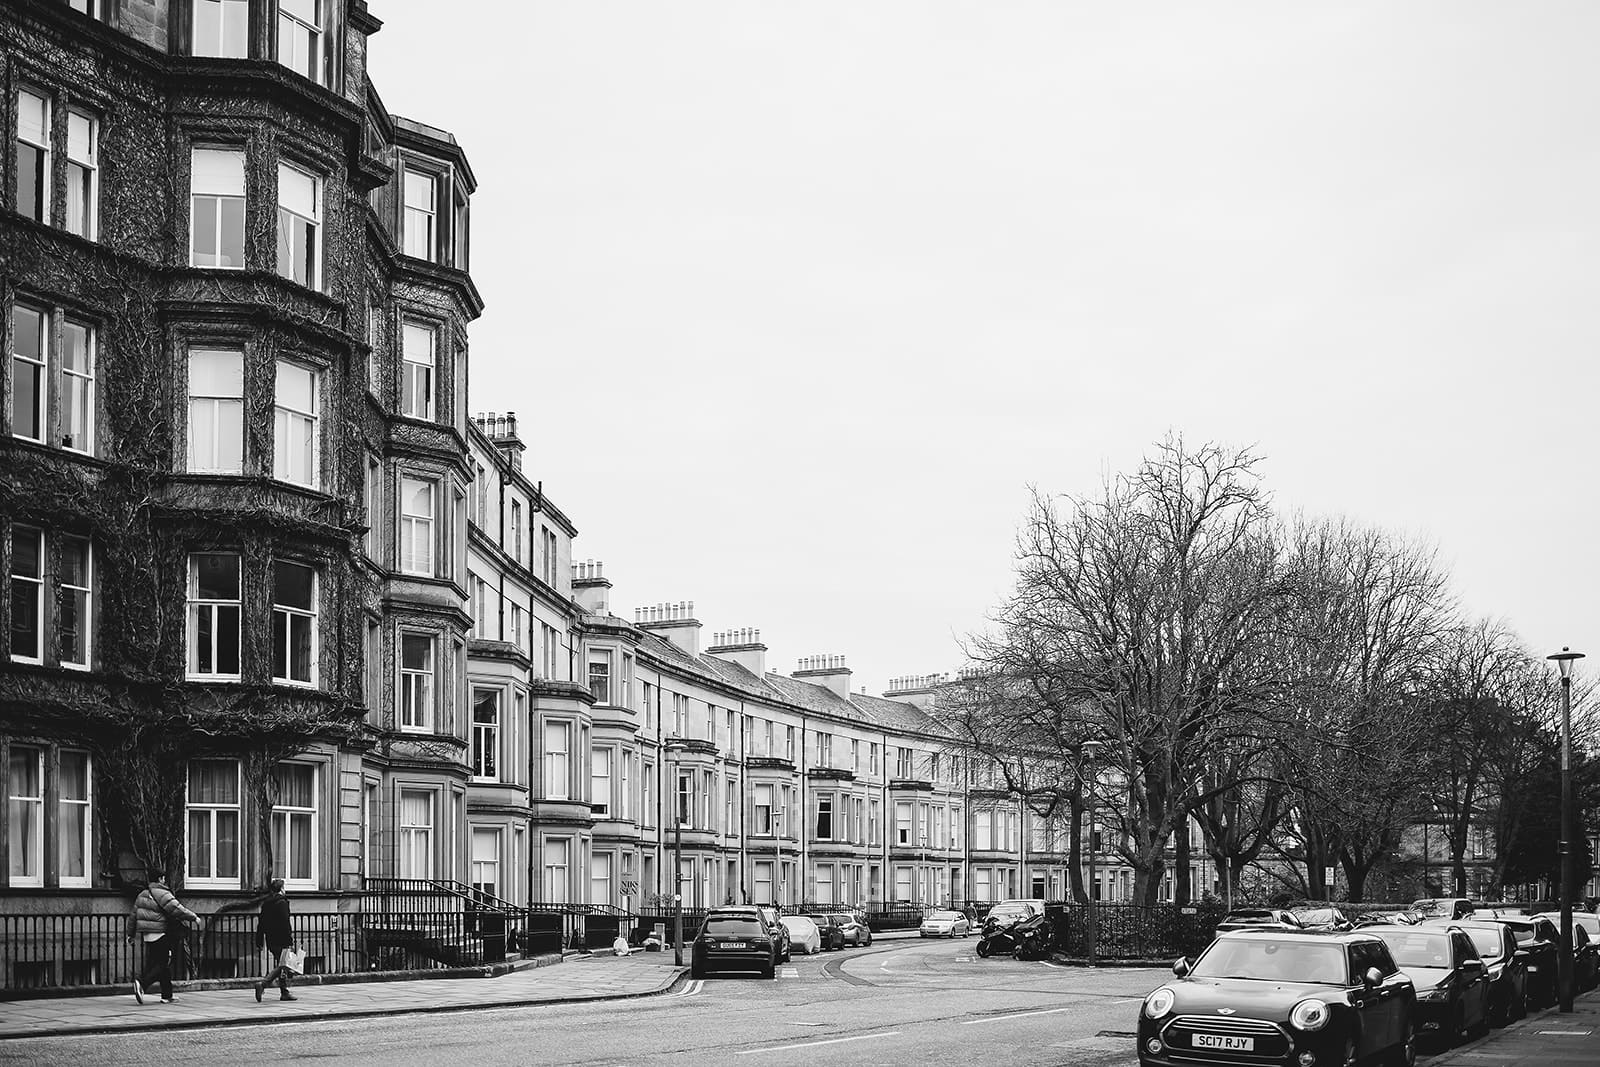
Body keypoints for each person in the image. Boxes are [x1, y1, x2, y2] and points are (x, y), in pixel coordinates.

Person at [125, 870, 198, 1005]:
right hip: (160, 933)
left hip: (147, 935)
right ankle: (142, 983)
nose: (164, 880)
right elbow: (176, 908)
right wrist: (193, 917)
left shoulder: (142, 894)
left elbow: (133, 916)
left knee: (162, 965)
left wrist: (130, 934)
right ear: (160, 879)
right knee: (163, 963)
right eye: (163, 878)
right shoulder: (162, 893)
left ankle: (167, 995)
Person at [254, 878, 299, 1001]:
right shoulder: (282, 903)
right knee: (283, 965)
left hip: (271, 939)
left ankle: (284, 992)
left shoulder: (266, 903)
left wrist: (259, 940)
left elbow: (261, 923)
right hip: (282, 939)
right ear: (281, 889)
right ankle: (263, 984)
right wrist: (289, 940)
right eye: (284, 887)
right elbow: (285, 923)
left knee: (282, 965)